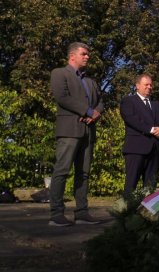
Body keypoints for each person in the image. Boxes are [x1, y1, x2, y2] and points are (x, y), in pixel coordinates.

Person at [49, 42, 104, 226]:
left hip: (88, 131)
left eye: (88, 54)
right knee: (62, 171)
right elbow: (62, 97)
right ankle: (56, 214)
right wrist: (87, 111)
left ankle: (81, 212)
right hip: (69, 130)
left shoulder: (91, 81)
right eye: (84, 54)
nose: (87, 57)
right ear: (72, 56)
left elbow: (100, 102)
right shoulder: (59, 73)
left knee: (84, 173)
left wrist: (95, 113)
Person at [120, 74, 159, 196]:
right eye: (146, 84)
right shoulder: (128, 101)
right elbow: (131, 119)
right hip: (136, 148)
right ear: (137, 86)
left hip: (155, 149)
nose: (149, 87)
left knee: (150, 187)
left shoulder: (156, 104)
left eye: (151, 85)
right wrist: (152, 129)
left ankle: (146, 213)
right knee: (131, 184)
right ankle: (126, 212)